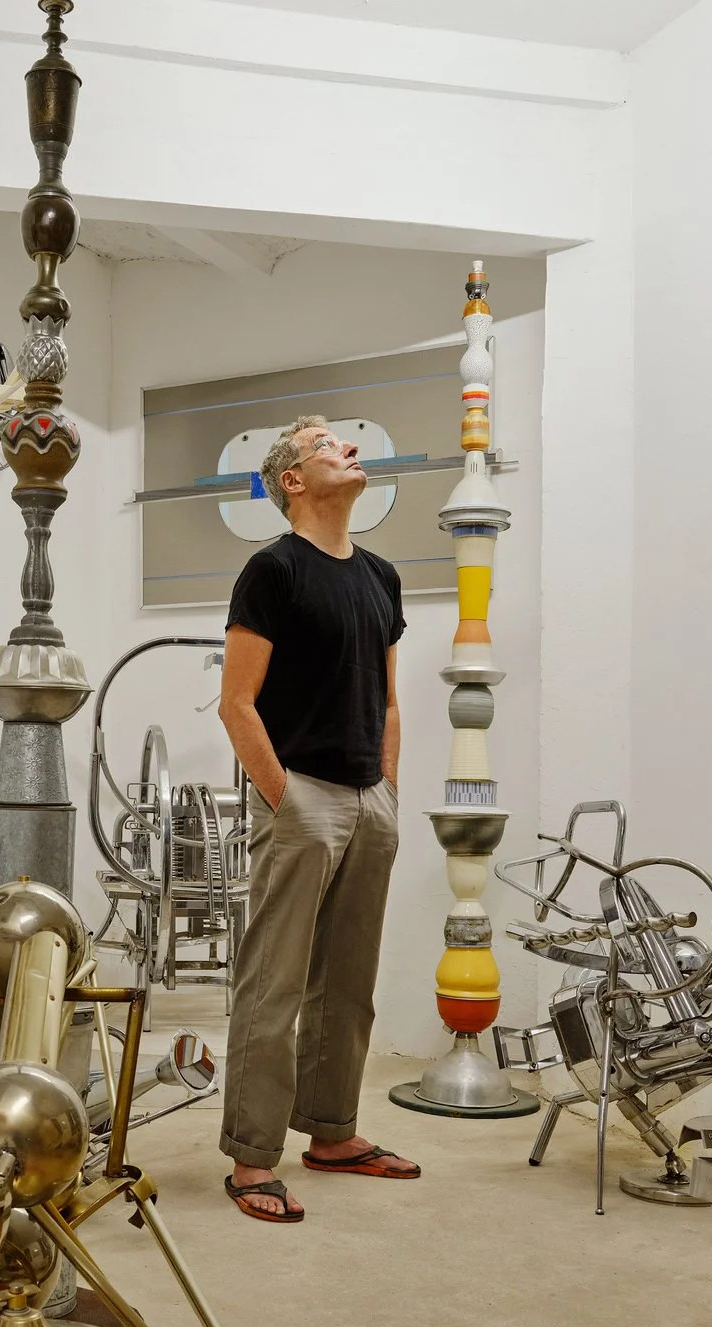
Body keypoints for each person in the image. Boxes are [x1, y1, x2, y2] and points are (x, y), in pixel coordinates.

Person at [215, 414, 419, 1222]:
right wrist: (284, 795)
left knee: (349, 983)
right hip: (302, 797)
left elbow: (390, 699)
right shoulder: (271, 571)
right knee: (275, 982)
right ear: (292, 480)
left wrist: (387, 790)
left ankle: (332, 1133)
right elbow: (237, 704)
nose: (351, 449)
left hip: (369, 798)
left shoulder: (381, 577)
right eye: (329, 444)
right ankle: (251, 1156)